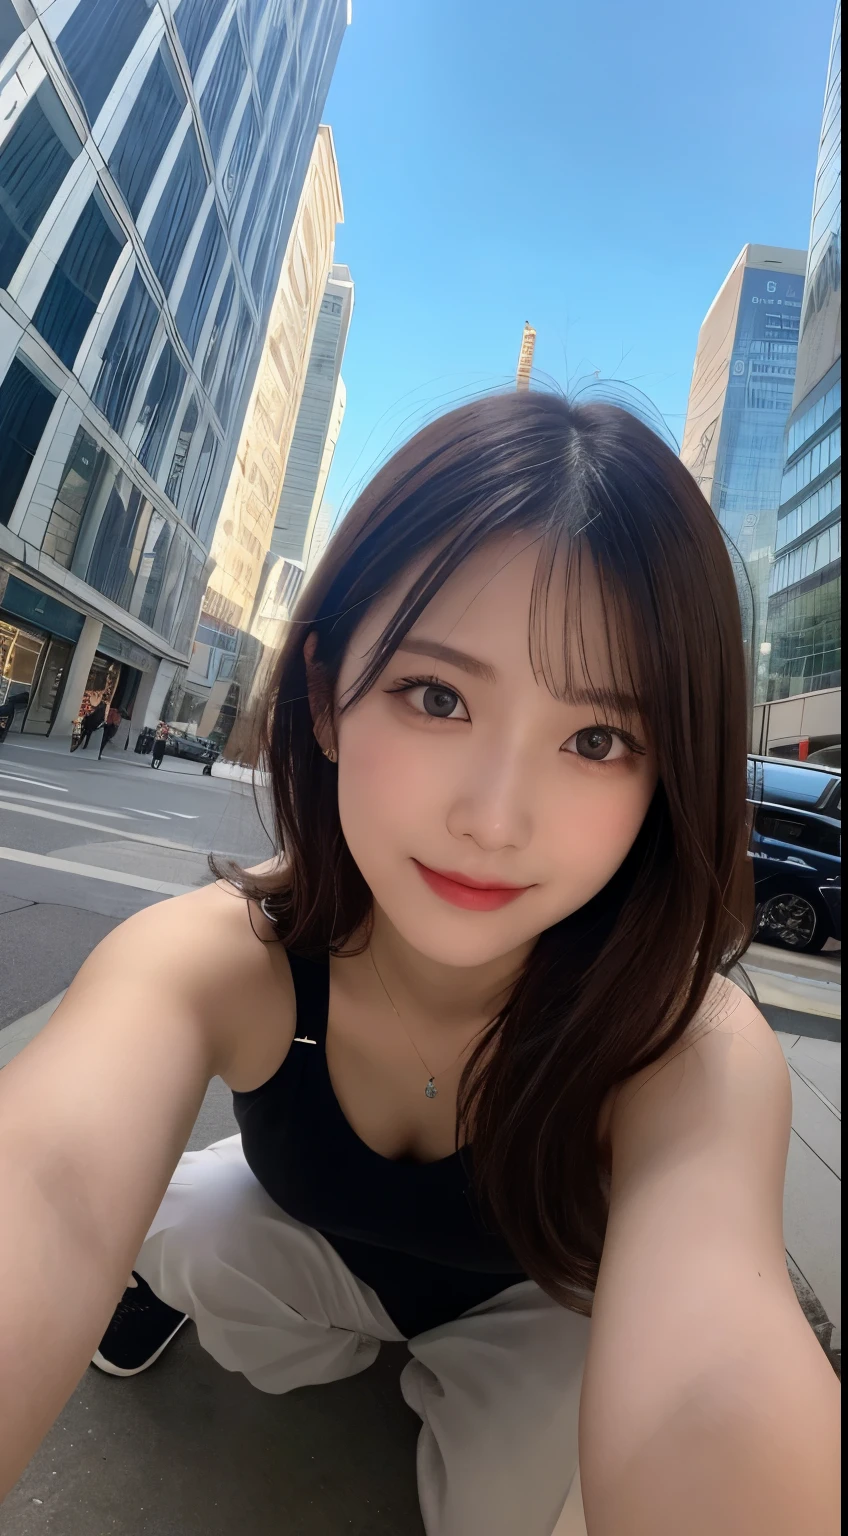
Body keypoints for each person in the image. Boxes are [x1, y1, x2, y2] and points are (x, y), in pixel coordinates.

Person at [0, 394, 839, 1535]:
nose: (493, 819)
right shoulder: (225, 956)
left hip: (535, 1311)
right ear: (327, 699)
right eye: (435, 695)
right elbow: (42, 1187)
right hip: (306, 1261)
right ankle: (191, 1290)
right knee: (190, 1225)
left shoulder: (679, 1045)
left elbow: (711, 1386)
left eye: (596, 740)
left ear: (661, 776)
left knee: (517, 1507)